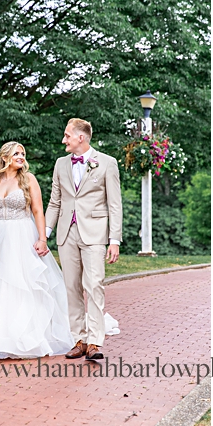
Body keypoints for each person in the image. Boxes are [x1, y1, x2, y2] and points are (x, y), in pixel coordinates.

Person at [0, 141, 118, 359]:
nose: (21, 157)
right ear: (4, 157)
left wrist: (43, 238)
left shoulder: (28, 180)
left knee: (24, 285)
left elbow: (38, 210)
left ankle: (29, 338)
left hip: (22, 236)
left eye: (23, 153)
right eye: (16, 153)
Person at [45, 118, 124, 361]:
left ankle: (94, 343)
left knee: (94, 285)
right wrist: (44, 234)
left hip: (95, 234)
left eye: (67, 135)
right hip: (66, 234)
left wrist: (114, 239)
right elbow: (55, 202)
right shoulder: (60, 164)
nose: (63, 140)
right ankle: (78, 340)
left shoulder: (107, 163)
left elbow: (115, 204)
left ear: (81, 137)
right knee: (71, 288)